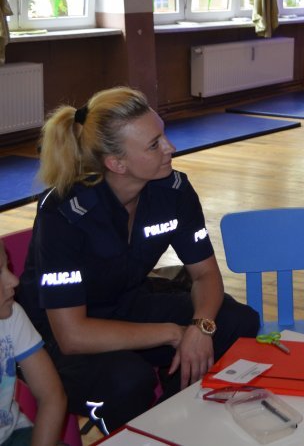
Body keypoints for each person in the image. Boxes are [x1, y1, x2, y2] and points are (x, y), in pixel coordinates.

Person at [16, 87, 260, 433]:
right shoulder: (65, 215)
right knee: (129, 380)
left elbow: (205, 275)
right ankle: (144, 431)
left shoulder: (173, 191)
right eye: (154, 144)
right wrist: (176, 333)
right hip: (57, 338)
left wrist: (200, 327)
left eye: (164, 135)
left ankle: (176, 422)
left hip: (125, 303)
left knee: (236, 321)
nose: (170, 148)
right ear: (116, 163)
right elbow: (73, 335)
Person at [0, 241, 66, 446]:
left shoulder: (12, 316)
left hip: (12, 436)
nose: (13, 280)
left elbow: (52, 396)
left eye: (7, 266)